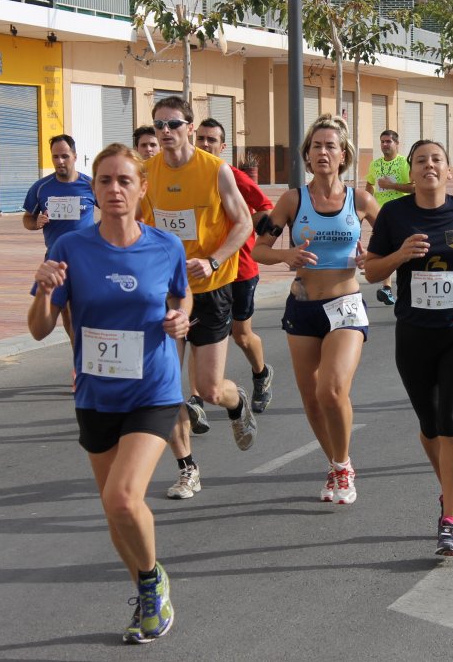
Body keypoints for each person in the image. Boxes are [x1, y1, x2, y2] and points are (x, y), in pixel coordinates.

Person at [28, 143, 190, 644]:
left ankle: (152, 583)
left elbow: (181, 296)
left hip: (154, 389)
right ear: (93, 190)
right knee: (114, 510)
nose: (115, 189)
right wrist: (44, 290)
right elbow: (38, 329)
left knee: (122, 498)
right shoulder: (69, 248)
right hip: (96, 393)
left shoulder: (166, 246)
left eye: (125, 180)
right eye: (105, 180)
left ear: (142, 188)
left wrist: (181, 318)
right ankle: (147, 589)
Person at [364, 139, 453, 557]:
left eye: (436, 159)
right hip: (414, 334)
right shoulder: (395, 214)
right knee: (429, 426)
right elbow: (371, 271)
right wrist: (400, 255)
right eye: (421, 160)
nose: (429, 165)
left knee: (452, 421)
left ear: (448, 170)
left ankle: (450, 519)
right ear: (410, 173)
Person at [252, 114, 379, 505]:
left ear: (344, 155)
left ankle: (342, 466)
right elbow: (259, 249)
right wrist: (286, 255)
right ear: (307, 155)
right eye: (316, 146)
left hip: (346, 305)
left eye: (330, 146)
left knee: (332, 389)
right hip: (303, 306)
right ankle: (336, 462)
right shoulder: (293, 200)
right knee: (311, 398)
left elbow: (392, 239)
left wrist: (373, 257)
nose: (323, 152)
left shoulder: (360, 200)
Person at [137, 96, 256, 501]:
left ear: (189, 127)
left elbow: (244, 223)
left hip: (210, 289)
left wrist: (213, 259)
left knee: (208, 389)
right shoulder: (147, 173)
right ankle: (187, 468)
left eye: (173, 124)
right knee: (167, 386)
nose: (165, 131)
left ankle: (236, 401)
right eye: (158, 125)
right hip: (166, 293)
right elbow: (136, 225)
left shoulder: (215, 170)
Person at [192, 118, 275, 426]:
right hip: (204, 273)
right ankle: (195, 401)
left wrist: (239, 229)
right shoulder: (190, 176)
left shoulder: (231, 175)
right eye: (201, 138)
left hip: (240, 269)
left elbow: (265, 207)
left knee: (241, 335)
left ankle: (261, 373)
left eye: (211, 140)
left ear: (223, 146)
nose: (205, 144)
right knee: (197, 336)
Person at [21, 134, 97, 348]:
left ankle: (84, 354)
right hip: (56, 259)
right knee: (66, 312)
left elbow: (111, 212)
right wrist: (36, 222)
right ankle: (78, 357)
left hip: (86, 259)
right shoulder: (41, 187)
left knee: (83, 309)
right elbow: (27, 219)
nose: (60, 161)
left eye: (65, 156)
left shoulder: (90, 185)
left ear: (75, 156)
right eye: (55, 157)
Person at [365, 129, 412, 305]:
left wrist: (391, 185)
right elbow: (369, 185)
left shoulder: (404, 164)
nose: (385, 145)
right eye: (382, 141)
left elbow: (414, 187)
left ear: (396, 144)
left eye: (388, 141)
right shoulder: (375, 165)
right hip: (381, 214)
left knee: (402, 252)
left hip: (402, 214)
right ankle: (387, 288)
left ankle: (404, 287)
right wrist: (365, 205)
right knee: (385, 250)